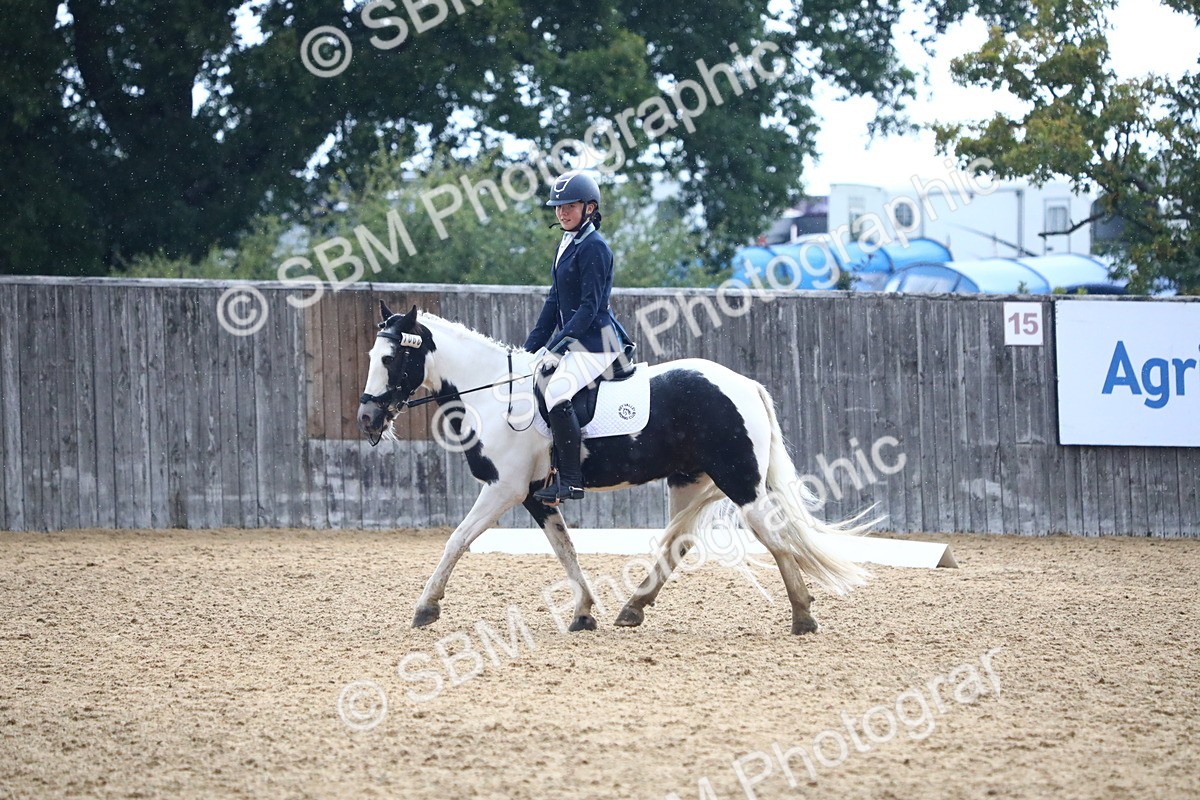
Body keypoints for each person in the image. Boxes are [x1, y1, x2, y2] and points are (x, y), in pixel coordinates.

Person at [525, 171, 634, 505]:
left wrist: (557, 348)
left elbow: (588, 308)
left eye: (569, 206)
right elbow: (554, 302)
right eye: (558, 207)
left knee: (556, 392)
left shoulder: (595, 248)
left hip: (598, 342)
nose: (562, 212)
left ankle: (571, 481)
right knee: (534, 376)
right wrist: (529, 348)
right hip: (579, 340)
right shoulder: (566, 243)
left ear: (590, 208)